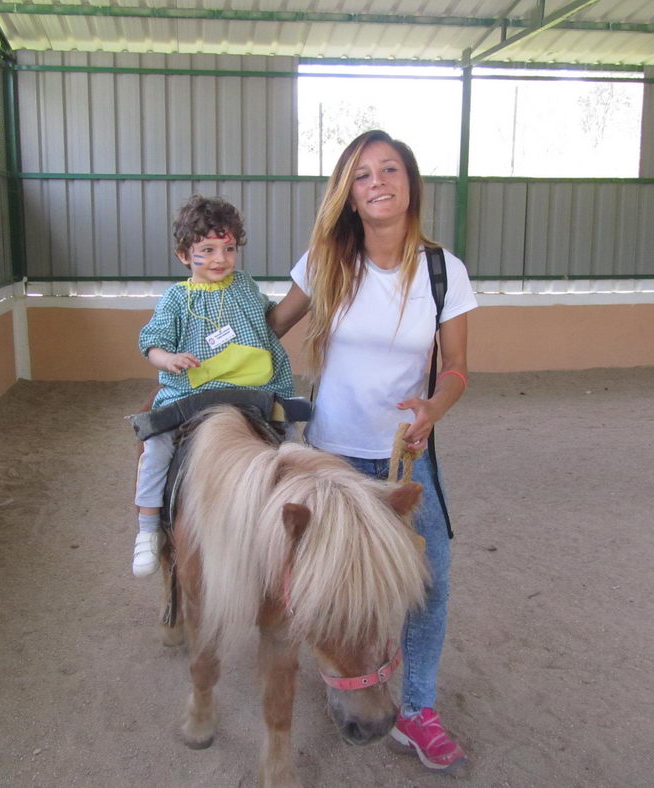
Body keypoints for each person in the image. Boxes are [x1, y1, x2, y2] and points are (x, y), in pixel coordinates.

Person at [267, 130, 477, 773]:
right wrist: (201, 340)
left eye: (390, 169)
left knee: (429, 580)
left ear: (410, 183)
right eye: (361, 175)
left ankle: (416, 710)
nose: (378, 181)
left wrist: (433, 409)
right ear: (348, 196)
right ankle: (337, 679)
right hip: (329, 456)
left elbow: (458, 369)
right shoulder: (327, 260)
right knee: (315, 584)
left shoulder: (444, 270)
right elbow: (269, 330)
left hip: (402, 462)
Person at [132, 195, 294, 577]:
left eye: (229, 248)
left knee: (294, 445)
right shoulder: (177, 299)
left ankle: (292, 523)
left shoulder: (243, 285)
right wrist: (168, 359)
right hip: (193, 395)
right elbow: (151, 343)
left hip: (255, 390)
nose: (220, 258)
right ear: (184, 255)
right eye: (207, 249)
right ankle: (148, 528)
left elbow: (268, 314)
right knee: (155, 448)